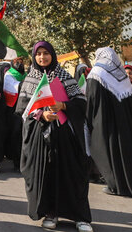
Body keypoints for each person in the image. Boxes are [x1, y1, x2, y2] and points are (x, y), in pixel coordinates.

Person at [18, 41, 92, 232]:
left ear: (53, 54)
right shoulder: (30, 80)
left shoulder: (64, 76)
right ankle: (51, 213)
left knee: (73, 175)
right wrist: (41, 115)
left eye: (46, 53)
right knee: (47, 176)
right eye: (38, 54)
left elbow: (81, 103)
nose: (42, 57)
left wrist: (63, 106)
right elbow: (22, 110)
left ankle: (80, 217)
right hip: (41, 139)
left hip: (66, 136)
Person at [86, 47, 132, 198]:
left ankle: (114, 185)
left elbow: (92, 101)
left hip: (106, 125)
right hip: (126, 126)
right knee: (127, 155)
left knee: (104, 152)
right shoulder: (122, 76)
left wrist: (88, 120)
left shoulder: (96, 73)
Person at [4, 58, 26, 172]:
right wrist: (24, 84)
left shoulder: (26, 74)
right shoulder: (9, 75)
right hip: (14, 110)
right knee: (16, 135)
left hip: (26, 109)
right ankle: (17, 163)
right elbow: (11, 88)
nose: (19, 64)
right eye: (17, 62)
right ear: (12, 64)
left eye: (21, 62)